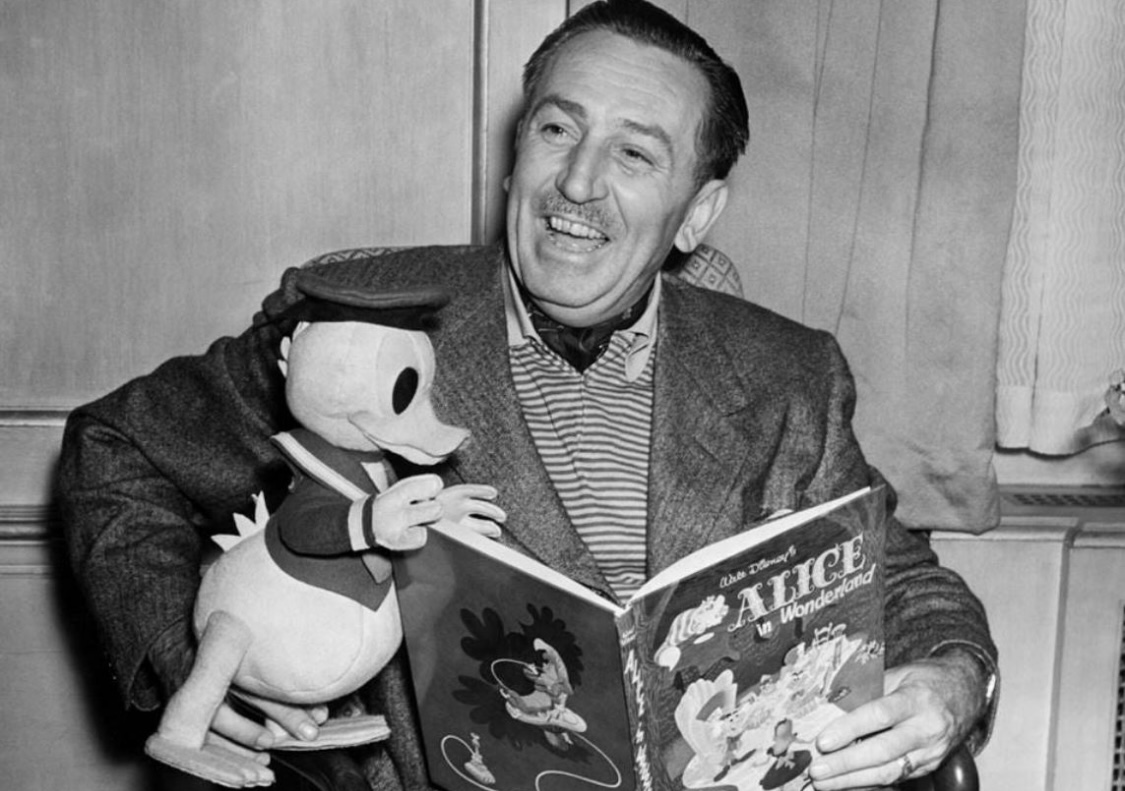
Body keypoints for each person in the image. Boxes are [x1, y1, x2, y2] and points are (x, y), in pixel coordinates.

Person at [56, 1, 998, 789]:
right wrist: (193, 663)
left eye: (634, 155)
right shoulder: (359, 320)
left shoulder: (789, 372)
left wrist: (951, 685)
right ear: (518, 153)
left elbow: (901, 580)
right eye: (557, 129)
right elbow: (118, 446)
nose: (576, 184)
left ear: (696, 213)